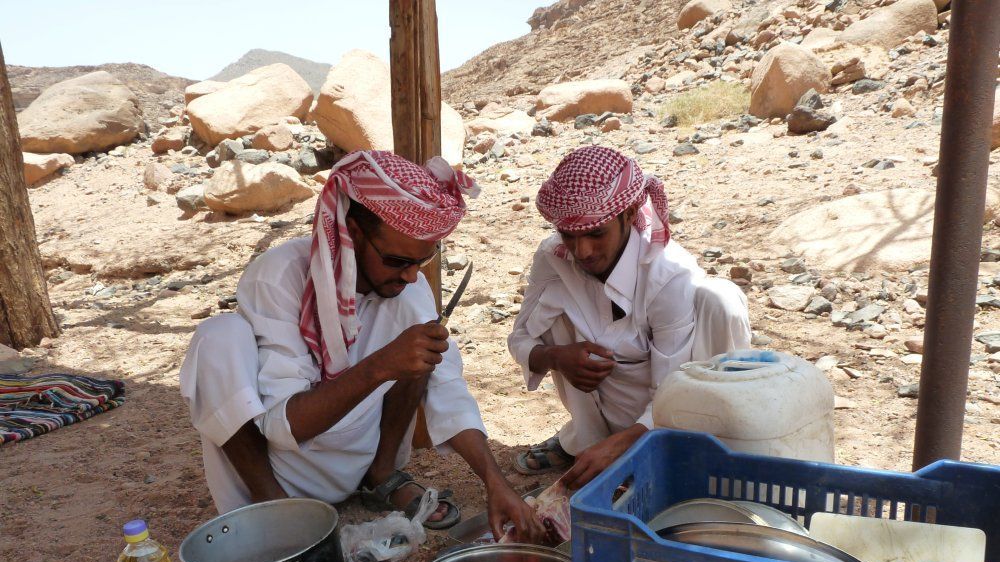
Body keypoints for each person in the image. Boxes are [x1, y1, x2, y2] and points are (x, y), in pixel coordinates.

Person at [181, 150, 543, 541]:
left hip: (358, 453)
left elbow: (447, 386)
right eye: (396, 260)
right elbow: (281, 429)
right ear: (351, 232)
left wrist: (495, 481)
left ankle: (382, 474)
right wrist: (381, 365)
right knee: (217, 337)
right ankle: (277, 511)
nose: (409, 276)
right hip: (282, 468)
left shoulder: (407, 289)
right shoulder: (279, 276)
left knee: (424, 348)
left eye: (421, 261)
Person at [507, 146, 750, 490]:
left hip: (671, 413)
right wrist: (554, 358)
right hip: (603, 404)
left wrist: (621, 447)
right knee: (553, 312)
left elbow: (670, 398)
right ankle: (585, 441)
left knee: (721, 300)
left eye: (595, 233)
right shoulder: (553, 258)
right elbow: (519, 339)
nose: (582, 251)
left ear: (630, 212)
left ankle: (655, 450)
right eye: (570, 236)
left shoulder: (667, 274)